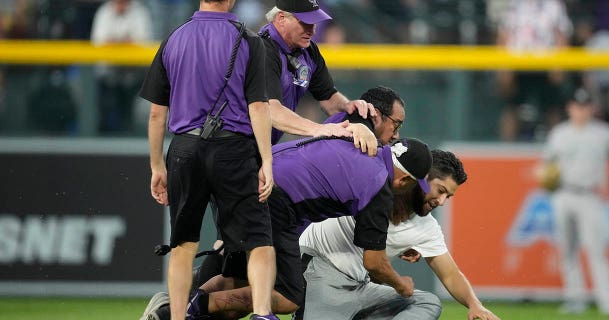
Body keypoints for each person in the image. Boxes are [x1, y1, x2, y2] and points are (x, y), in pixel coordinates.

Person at [138, 84, 407, 320]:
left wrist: (359, 121)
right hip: (271, 194)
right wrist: (402, 285)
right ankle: (188, 308)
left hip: (244, 178)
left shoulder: (343, 123)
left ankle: (171, 308)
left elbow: (340, 110)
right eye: (396, 124)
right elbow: (373, 262)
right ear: (378, 116)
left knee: (239, 279)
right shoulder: (371, 166)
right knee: (288, 295)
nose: (396, 134)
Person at [139, 0, 276, 319]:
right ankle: (262, 314)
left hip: (184, 150)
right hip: (232, 149)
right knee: (258, 242)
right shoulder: (248, 39)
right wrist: (266, 161)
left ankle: (175, 316)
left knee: (183, 246)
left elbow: (157, 113)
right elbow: (258, 107)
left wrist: (157, 166)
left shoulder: (174, 37)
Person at [298, 149, 500, 320]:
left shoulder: (426, 227)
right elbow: (374, 262)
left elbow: (450, 274)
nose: (442, 201)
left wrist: (475, 305)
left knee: (426, 303)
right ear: (422, 177)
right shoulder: (377, 183)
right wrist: (400, 283)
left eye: (448, 196)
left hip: (360, 286)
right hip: (320, 270)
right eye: (440, 190)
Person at [539, 87, 609, 315]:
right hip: (564, 193)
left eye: (585, 106)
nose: (581, 110)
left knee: (597, 250)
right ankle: (575, 299)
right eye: (577, 106)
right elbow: (546, 165)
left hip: (592, 196)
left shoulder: (603, 132)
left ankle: (608, 303)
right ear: (570, 108)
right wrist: (545, 177)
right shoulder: (559, 133)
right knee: (567, 250)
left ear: (591, 108)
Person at [260, 0, 378, 155]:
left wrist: (348, 105)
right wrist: (319, 129)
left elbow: (329, 98)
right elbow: (271, 111)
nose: (312, 31)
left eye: (314, 23)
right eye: (305, 23)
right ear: (281, 18)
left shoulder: (307, 50)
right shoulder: (263, 48)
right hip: (234, 143)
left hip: (261, 145)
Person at [495, 0, 573, 141]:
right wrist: (504, 67)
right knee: (511, 108)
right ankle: (506, 150)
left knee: (552, 108)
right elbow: (503, 36)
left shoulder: (554, 5)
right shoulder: (514, 4)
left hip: (546, 64)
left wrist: (559, 65)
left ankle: (558, 148)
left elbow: (562, 36)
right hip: (517, 64)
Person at [91, 0, 153, 133]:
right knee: (106, 117)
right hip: (108, 75)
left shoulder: (140, 11)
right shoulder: (104, 11)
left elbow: (143, 43)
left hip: (134, 75)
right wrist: (126, 43)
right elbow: (98, 44)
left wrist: (114, 44)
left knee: (130, 119)